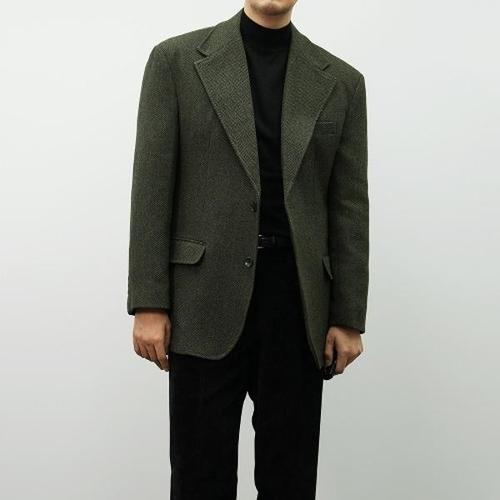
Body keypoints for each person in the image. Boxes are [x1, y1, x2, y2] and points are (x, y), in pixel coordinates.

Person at [127, 2, 369, 499]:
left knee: (290, 478)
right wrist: (149, 301)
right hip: (203, 297)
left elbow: (348, 205)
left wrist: (348, 316)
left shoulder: (342, 82)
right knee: (199, 476)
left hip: (298, 302)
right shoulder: (176, 62)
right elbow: (152, 185)